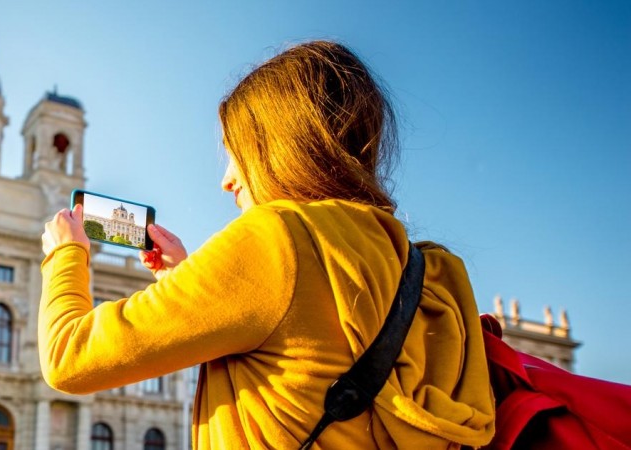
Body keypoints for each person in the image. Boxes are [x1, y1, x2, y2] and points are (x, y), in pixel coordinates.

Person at [38, 41, 495, 449]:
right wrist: (186, 278)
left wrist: (65, 255)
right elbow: (306, 353)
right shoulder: (428, 266)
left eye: (234, 154)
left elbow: (69, 357)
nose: (227, 180)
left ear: (275, 148)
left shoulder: (274, 237)